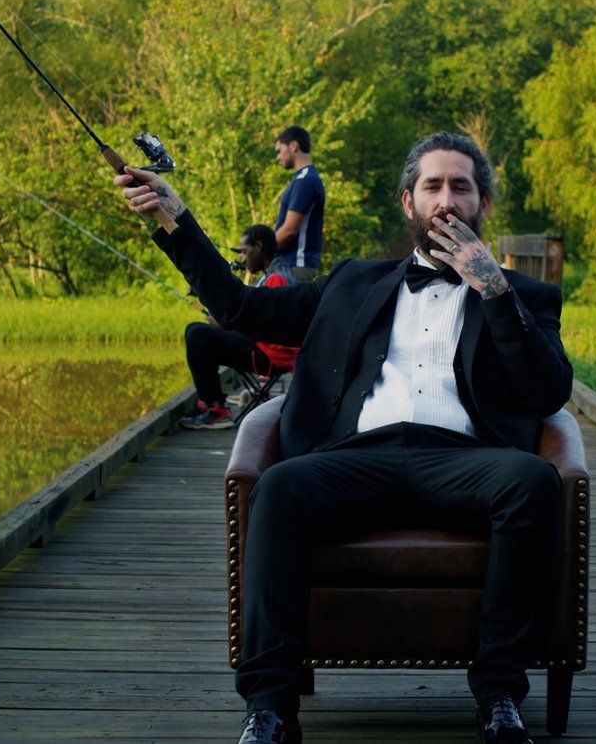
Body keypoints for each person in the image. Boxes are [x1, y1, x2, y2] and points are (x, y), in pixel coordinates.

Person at [117, 132, 571, 744]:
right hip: (360, 458)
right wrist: (173, 216)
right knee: (279, 488)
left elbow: (547, 391)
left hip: (465, 461)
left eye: (460, 187)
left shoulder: (526, 297)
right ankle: (270, 710)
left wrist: (492, 287)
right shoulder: (353, 282)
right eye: (432, 186)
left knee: (533, 482)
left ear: (482, 204)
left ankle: (498, 697)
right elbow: (240, 309)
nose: (446, 200)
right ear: (408, 202)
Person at [178, 224, 299, 431]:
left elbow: (269, 329)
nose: (242, 258)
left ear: (258, 247)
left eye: (244, 251)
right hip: (265, 347)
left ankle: (216, 409)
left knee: (198, 335)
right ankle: (210, 404)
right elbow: (251, 312)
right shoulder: (274, 273)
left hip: (271, 356)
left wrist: (226, 326)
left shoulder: (276, 279)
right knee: (195, 331)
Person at [272, 125, 325, 281]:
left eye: (279, 151)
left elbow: (290, 229)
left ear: (294, 145)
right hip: (287, 265)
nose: (278, 157)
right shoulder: (302, 178)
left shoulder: (305, 181)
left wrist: (261, 251)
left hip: (295, 265)